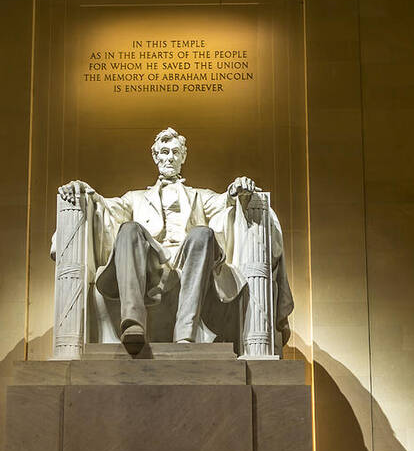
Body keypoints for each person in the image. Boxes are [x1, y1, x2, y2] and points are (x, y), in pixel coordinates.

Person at [56, 127, 293, 353]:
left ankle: (186, 332)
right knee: (128, 229)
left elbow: (226, 202)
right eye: (164, 152)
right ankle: (133, 323)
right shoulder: (135, 198)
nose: (169, 158)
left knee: (203, 233)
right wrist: (84, 191)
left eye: (175, 152)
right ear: (155, 157)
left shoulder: (200, 196)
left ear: (183, 157)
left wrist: (237, 190)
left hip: (191, 262)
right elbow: (104, 206)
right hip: (150, 264)